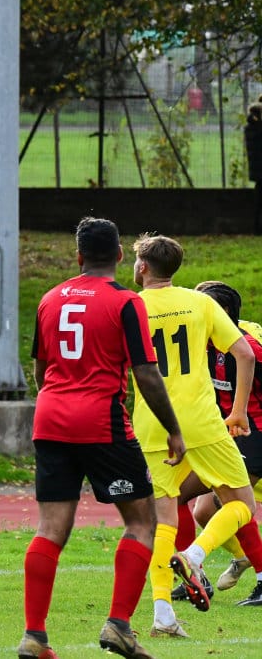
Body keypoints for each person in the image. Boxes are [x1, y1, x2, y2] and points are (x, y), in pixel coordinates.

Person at [19, 217, 185, 659]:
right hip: (100, 421)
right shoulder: (126, 301)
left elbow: (40, 369)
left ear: (78, 256)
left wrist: (58, 400)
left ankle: (34, 636)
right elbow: (145, 372)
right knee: (142, 521)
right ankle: (119, 626)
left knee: (50, 528)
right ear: (119, 255)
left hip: (50, 420)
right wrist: (173, 429)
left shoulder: (50, 299)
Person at [130, 234, 258, 637]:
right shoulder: (200, 302)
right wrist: (238, 411)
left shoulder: (130, 307)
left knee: (163, 517)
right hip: (202, 421)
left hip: (153, 423)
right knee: (242, 504)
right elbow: (244, 353)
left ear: (142, 267)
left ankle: (163, 615)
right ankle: (195, 555)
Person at [177, 281, 262, 607]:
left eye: (201, 305)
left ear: (222, 311)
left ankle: (197, 561)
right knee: (192, 503)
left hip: (255, 433)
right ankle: (200, 574)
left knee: (230, 503)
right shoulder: (200, 343)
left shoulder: (248, 348)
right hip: (224, 434)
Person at [244, 102, 262, 234]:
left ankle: (257, 227)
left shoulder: (249, 128)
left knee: (258, 201)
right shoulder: (258, 128)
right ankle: (257, 228)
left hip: (256, 170)